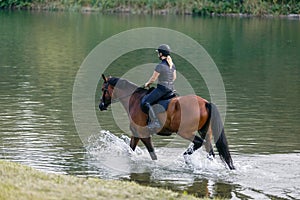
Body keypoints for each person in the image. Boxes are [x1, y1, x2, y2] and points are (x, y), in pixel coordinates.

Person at [141, 44, 177, 132]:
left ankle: (155, 122)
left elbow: (153, 79)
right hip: (171, 88)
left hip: (162, 89)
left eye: (158, 53)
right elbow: (174, 77)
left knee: (146, 102)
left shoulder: (160, 66)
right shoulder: (172, 65)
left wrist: (147, 84)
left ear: (161, 54)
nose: (158, 55)